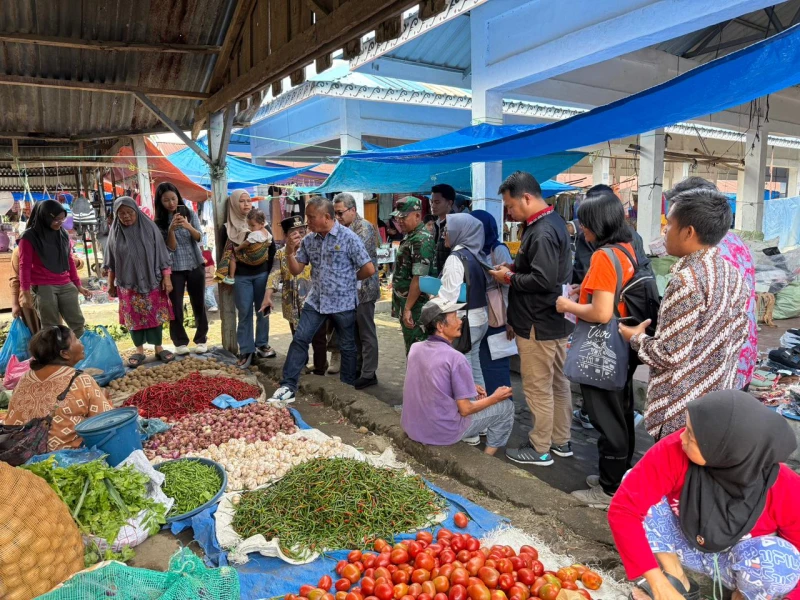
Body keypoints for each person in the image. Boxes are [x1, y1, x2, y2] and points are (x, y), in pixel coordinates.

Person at [608, 391, 800, 600]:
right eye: (688, 428)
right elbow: (624, 510)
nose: (681, 436)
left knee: (779, 562)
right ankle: (676, 580)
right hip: (686, 540)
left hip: (740, 562)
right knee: (635, 486)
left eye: (691, 435)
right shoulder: (674, 450)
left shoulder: (785, 487)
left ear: (727, 451)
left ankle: (741, 596)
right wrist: (658, 583)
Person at [620, 187, 749, 440]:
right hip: (717, 403)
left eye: (669, 224)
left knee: (677, 474)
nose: (665, 231)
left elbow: (670, 354)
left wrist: (635, 337)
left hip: (681, 411)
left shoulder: (687, 281)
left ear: (689, 232)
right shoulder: (732, 272)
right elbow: (739, 336)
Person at [555, 186, 640, 508]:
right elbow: (613, 294)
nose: (583, 229)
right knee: (621, 411)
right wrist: (585, 291)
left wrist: (568, 304)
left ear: (600, 223)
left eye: (587, 223)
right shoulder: (626, 248)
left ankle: (607, 489)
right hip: (623, 344)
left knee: (606, 416)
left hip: (602, 347)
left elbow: (601, 312)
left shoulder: (604, 256)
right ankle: (618, 478)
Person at [489, 171, 573, 467]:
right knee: (558, 382)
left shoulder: (541, 231)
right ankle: (561, 441)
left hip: (538, 321)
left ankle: (540, 448)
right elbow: (540, 267)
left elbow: (542, 278)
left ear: (526, 197)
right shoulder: (550, 224)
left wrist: (509, 276)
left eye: (510, 206)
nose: (509, 213)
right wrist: (513, 265)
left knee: (539, 388)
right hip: (556, 319)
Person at [270, 197, 375, 402]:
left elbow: (369, 269)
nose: (307, 222)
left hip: (343, 303)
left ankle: (346, 389)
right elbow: (296, 269)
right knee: (300, 339)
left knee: (347, 346)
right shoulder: (309, 240)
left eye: (311, 217)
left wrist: (347, 281)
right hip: (316, 301)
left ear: (327, 217)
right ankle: (287, 386)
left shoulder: (349, 238)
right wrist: (290, 251)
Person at [664, 177, 757, 390]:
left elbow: (675, 351)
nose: (667, 228)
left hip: (713, 370)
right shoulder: (736, 242)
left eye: (672, 220)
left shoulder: (704, 258)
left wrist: (638, 339)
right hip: (740, 355)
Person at [401, 297, 514, 456]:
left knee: (476, 398)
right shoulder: (456, 358)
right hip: (441, 433)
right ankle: (485, 459)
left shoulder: (416, 348)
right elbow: (466, 409)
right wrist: (495, 397)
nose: (460, 321)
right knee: (506, 407)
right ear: (440, 326)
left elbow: (430, 380)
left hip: (412, 427)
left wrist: (468, 386)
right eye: (455, 317)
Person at [6, 326, 112, 451]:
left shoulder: (25, 377)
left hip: (19, 451)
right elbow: (107, 421)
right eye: (76, 339)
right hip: (62, 456)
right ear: (64, 353)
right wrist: (104, 398)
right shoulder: (80, 379)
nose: (81, 342)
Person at [105, 196, 175, 366]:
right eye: (121, 214)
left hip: (153, 281)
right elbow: (111, 262)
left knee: (155, 315)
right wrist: (110, 284)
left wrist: (167, 279)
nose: (126, 216)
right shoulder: (115, 233)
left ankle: (159, 348)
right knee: (133, 316)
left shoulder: (150, 228)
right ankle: (139, 350)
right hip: (128, 285)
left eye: (130, 212)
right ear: (116, 215)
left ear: (136, 211)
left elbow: (163, 256)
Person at [262, 216, 328, 375]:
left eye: (302, 231)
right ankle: (302, 364)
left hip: (316, 302)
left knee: (319, 339)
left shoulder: (314, 248)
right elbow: (274, 275)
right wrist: (268, 296)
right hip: (292, 304)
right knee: (299, 338)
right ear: (285, 236)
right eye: (294, 233)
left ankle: (320, 368)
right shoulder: (280, 254)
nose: (299, 235)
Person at [220, 190, 276, 368]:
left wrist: (271, 278)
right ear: (234, 205)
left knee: (263, 310)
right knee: (244, 313)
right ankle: (246, 349)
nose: (245, 204)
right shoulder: (228, 228)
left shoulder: (262, 225)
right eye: (241, 201)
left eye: (248, 201)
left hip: (261, 275)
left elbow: (272, 251)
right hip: (241, 277)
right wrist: (228, 277)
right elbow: (226, 254)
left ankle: (262, 344)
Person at [18, 199, 91, 338]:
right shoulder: (29, 237)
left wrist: (78, 285)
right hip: (44, 287)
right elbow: (24, 265)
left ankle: (83, 355)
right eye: (56, 219)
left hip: (66, 284)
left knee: (78, 323)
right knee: (51, 327)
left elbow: (69, 259)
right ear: (45, 217)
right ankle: (56, 357)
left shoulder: (62, 234)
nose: (60, 223)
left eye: (62, 219)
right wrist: (25, 291)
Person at [333, 193, 381, 389]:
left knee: (366, 333)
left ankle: (369, 373)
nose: (338, 217)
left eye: (340, 213)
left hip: (365, 289)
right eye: (335, 214)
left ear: (353, 210)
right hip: (349, 290)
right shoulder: (344, 228)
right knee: (354, 333)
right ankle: (359, 369)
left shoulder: (364, 229)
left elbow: (349, 258)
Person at [155, 182, 208, 355]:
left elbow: (200, 238)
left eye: (173, 198)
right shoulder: (159, 222)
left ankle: (201, 339)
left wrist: (187, 225)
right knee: (176, 306)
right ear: (160, 202)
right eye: (166, 200)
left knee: (198, 303)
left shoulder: (190, 213)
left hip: (195, 264)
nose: (170, 203)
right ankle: (180, 342)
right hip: (174, 268)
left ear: (178, 197)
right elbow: (169, 248)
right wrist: (171, 230)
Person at [439, 213, 489, 387]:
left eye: (447, 230)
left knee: (464, 374)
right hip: (479, 319)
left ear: (460, 231)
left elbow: (448, 298)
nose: (444, 234)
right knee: (474, 368)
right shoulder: (476, 255)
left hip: (464, 322)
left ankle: (471, 411)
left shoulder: (456, 258)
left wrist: (433, 296)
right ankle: (483, 409)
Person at [472, 209, 514, 400]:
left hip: (498, 318)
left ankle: (504, 410)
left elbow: (510, 286)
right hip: (480, 317)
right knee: (482, 366)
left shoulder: (498, 249)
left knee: (497, 367)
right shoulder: (473, 250)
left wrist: (511, 319)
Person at [391, 197, 435, 355]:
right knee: (412, 347)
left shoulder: (421, 240)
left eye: (403, 217)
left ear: (417, 216)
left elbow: (419, 278)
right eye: (398, 218)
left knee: (417, 350)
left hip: (416, 306)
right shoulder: (411, 236)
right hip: (407, 302)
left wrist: (408, 308)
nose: (399, 222)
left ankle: (419, 380)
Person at [229, 208, 273, 280]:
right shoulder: (268, 233)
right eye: (249, 225)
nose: (250, 228)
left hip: (251, 259)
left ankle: (231, 277)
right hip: (262, 261)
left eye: (253, 226)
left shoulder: (255, 234)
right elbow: (268, 244)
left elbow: (246, 243)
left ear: (262, 224)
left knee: (233, 256)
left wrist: (237, 248)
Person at [10, 243, 41, 335]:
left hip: (51, 297)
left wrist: (76, 262)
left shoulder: (51, 246)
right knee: (35, 335)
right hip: (29, 300)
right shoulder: (19, 250)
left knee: (53, 336)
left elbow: (76, 263)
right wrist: (15, 304)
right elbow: (15, 279)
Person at [430, 183, 457, 276]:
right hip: (436, 279)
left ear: (449, 203)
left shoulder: (456, 225)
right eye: (431, 202)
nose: (433, 205)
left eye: (437, 202)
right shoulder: (436, 225)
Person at [202, 248, 219, 313]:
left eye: (204, 258)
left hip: (210, 284)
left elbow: (212, 275)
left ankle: (214, 305)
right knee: (205, 296)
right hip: (204, 284)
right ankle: (210, 306)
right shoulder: (202, 266)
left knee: (209, 294)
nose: (203, 260)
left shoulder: (211, 266)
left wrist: (203, 275)